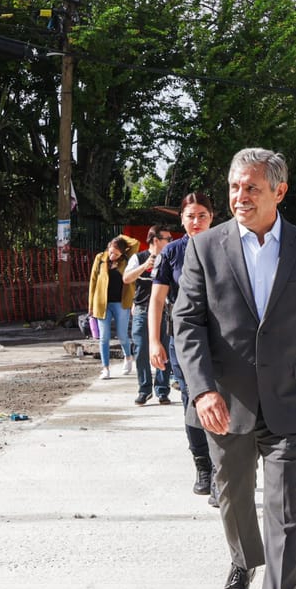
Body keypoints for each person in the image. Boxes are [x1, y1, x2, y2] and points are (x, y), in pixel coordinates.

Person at [173, 148, 296, 589]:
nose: (240, 197)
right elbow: (187, 323)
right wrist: (202, 390)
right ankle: (243, 560)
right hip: (226, 404)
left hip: (292, 401)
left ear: (279, 191)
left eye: (251, 188)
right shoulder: (205, 247)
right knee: (233, 496)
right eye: (234, 188)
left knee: (286, 510)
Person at [149, 194, 216, 499]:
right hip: (185, 340)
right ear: (182, 219)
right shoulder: (172, 253)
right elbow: (158, 299)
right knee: (193, 399)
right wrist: (154, 341)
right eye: (190, 216)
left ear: (212, 217)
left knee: (228, 400)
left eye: (202, 215)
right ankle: (203, 466)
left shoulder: (226, 247)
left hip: (224, 340)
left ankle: (224, 471)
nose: (196, 222)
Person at [123, 225, 173, 405]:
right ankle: (144, 389)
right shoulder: (139, 257)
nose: (170, 242)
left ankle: (162, 389)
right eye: (168, 238)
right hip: (142, 310)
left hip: (165, 311)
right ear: (156, 240)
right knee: (141, 349)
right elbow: (126, 278)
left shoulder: (169, 257)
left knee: (165, 349)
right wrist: (145, 266)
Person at [88, 235, 140, 380]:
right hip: (101, 303)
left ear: (122, 253)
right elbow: (92, 281)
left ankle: (128, 356)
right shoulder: (100, 258)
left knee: (122, 335)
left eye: (116, 254)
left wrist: (120, 238)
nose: (112, 256)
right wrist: (91, 305)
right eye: (111, 252)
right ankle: (105, 368)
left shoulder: (127, 260)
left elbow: (135, 242)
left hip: (121, 302)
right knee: (104, 337)